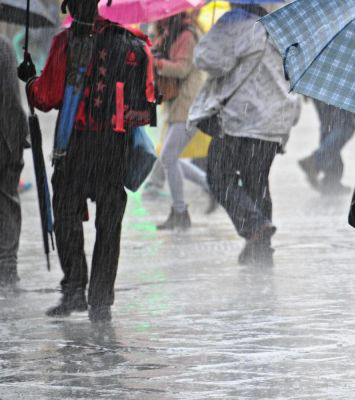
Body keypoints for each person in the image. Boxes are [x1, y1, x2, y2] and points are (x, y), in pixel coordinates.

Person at [21, 0, 155, 322]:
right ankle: (100, 301)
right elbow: (145, 102)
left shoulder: (65, 43)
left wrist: (29, 81)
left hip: (76, 147)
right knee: (109, 225)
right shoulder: (130, 44)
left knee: (65, 215)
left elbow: (47, 97)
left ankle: (74, 289)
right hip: (114, 146)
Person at [188, 3, 301, 265]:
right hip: (275, 120)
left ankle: (255, 226)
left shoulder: (236, 21)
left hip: (242, 118)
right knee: (257, 182)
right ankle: (261, 251)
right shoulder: (284, 27)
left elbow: (207, 60)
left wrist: (221, 34)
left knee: (218, 176)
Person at [149, 13, 211, 230]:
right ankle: (212, 186)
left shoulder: (186, 35)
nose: (160, 19)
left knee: (167, 156)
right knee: (170, 157)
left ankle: (180, 211)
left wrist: (156, 63)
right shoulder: (169, 34)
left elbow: (182, 68)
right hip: (177, 104)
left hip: (188, 104)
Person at [0, 36, 29, 290]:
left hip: (5, 139)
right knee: (7, 201)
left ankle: (7, 266)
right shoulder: (4, 46)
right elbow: (10, 96)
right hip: (6, 139)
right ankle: (7, 267)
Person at [299, 99, 355, 195]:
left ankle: (331, 181)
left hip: (321, 89)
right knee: (345, 125)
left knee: (328, 125)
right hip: (337, 90)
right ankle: (316, 160)